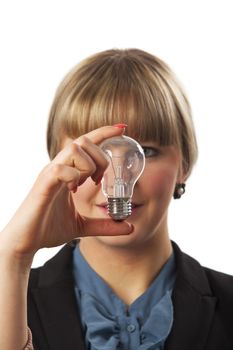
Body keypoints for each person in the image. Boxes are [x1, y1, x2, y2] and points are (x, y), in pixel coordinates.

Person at [0, 48, 233, 350]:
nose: (116, 180)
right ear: (58, 164)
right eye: (93, 152)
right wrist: (12, 259)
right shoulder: (10, 297)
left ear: (184, 165)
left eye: (145, 151)